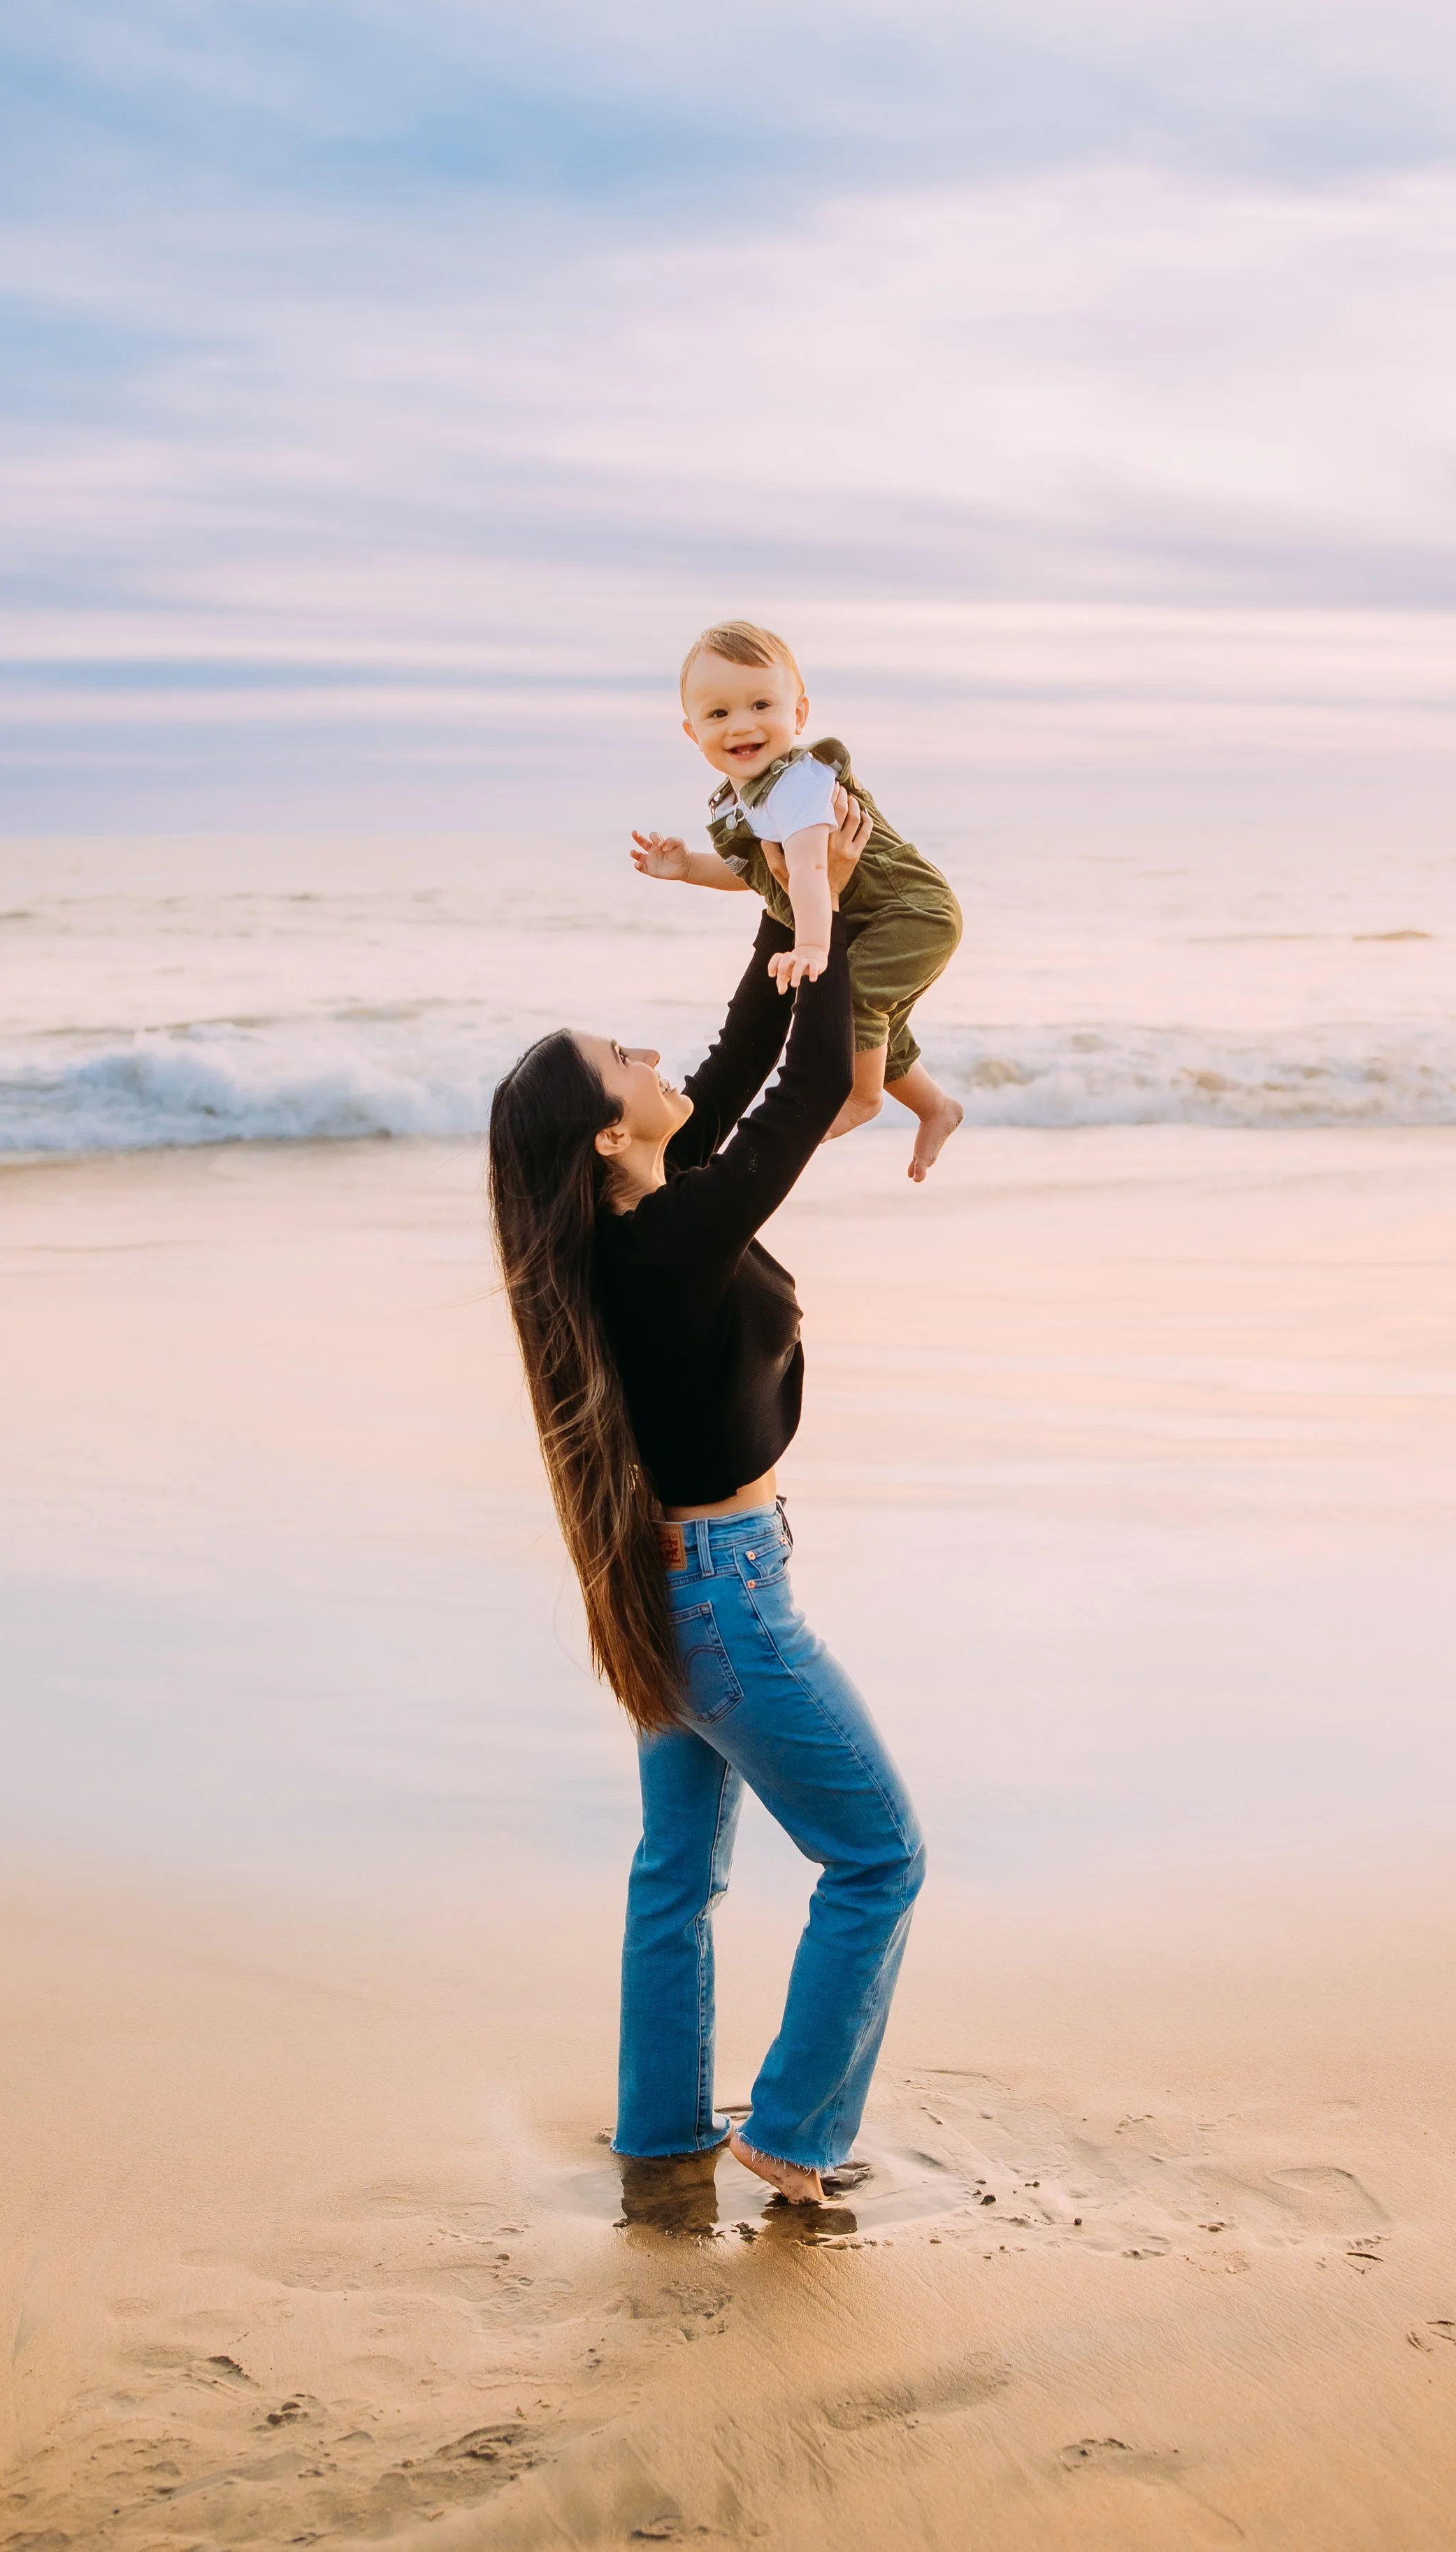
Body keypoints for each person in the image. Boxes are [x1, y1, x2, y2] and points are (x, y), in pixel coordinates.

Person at [487, 793, 925, 2209]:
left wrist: (784, 913)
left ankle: (661, 2133)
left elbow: (747, 1058)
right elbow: (800, 1097)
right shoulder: (665, 1242)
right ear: (605, 1140)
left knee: (675, 1874)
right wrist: (821, 903)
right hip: (726, 1600)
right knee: (876, 1860)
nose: (651, 1054)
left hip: (673, 1585)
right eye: (622, 1061)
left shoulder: (641, 1225)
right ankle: (792, 2142)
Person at [631, 619, 966, 1181]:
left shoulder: (796, 785)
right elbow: (764, 877)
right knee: (878, 1033)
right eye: (719, 714)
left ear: (799, 715)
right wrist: (688, 868)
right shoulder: (739, 801)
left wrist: (812, 946)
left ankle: (861, 1101)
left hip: (907, 913)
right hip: (867, 917)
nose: (743, 725)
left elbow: (811, 867)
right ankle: (936, 1107)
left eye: (762, 705)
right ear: (693, 732)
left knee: (856, 1005)